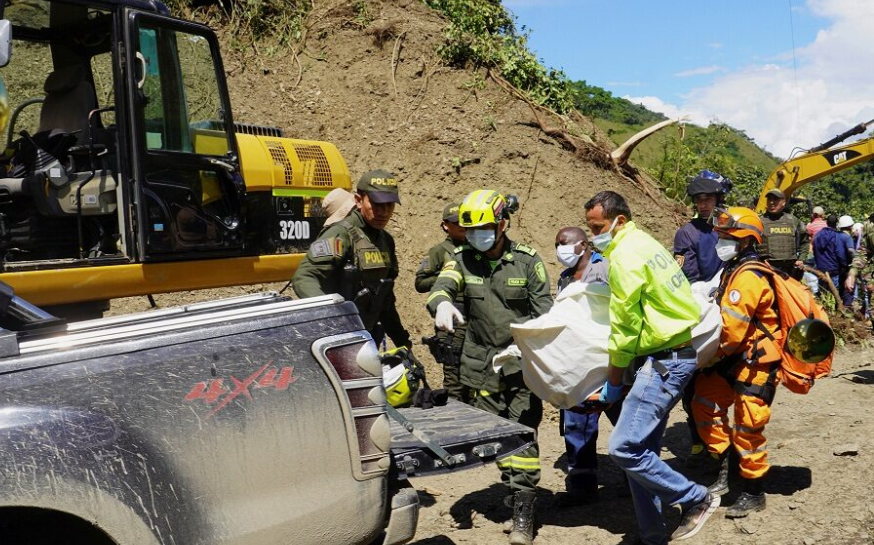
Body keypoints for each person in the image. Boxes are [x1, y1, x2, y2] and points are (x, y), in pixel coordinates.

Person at [585, 191, 719, 544]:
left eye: (597, 226)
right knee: (641, 455)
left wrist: (614, 382)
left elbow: (625, 329)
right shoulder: (646, 244)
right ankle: (652, 535)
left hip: (664, 362)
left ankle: (697, 498)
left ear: (619, 221)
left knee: (624, 447)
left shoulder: (626, 257)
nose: (592, 233)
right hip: (671, 354)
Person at [427, 189, 552, 545]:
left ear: (502, 224)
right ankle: (514, 494)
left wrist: (523, 344)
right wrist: (440, 304)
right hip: (480, 367)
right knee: (496, 437)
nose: (476, 236)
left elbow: (546, 314)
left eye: (483, 228)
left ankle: (524, 512)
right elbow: (442, 286)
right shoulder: (462, 258)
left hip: (520, 365)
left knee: (523, 434)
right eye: (470, 231)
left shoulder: (528, 262)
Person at [692, 206, 781, 519]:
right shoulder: (733, 268)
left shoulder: (749, 275)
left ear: (745, 240)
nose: (720, 239)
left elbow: (732, 331)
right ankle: (727, 467)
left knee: (748, 426)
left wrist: (705, 358)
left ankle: (753, 491)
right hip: (734, 358)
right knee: (703, 403)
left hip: (754, 362)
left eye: (726, 235)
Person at [293, 169, 411, 349]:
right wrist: (333, 316)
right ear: (358, 200)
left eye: (389, 205)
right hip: (334, 340)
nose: (384, 211)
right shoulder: (341, 234)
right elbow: (304, 278)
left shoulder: (386, 241)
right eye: (377, 204)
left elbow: (385, 299)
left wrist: (403, 343)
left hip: (366, 338)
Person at [552, 226, 618, 507]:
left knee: (624, 419)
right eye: (556, 244)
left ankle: (638, 479)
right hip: (577, 364)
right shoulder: (565, 279)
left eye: (563, 243)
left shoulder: (605, 270)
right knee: (577, 424)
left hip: (610, 361)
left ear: (583, 244)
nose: (559, 249)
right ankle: (582, 484)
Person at [672, 170, 726, 468]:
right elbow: (685, 275)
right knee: (692, 380)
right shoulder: (686, 233)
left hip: (730, 304)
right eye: (699, 200)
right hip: (699, 308)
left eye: (709, 199)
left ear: (719, 199)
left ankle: (724, 442)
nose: (704, 205)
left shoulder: (730, 226)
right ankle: (697, 441)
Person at [415, 202, 467, 402]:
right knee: (453, 373)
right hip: (450, 316)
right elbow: (419, 282)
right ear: (446, 225)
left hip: (473, 315)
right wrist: (447, 277)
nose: (462, 225)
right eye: (456, 222)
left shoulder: (476, 249)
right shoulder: (439, 251)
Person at [758, 188, 809, 279]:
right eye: (769, 199)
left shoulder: (793, 220)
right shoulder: (759, 221)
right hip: (767, 270)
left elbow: (804, 241)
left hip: (789, 272)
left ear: (783, 202)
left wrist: (801, 259)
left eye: (775, 199)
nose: (772, 202)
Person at [813, 215, 853, 303]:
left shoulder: (817, 235)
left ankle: (825, 311)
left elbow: (814, 249)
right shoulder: (836, 236)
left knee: (823, 291)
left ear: (826, 223)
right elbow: (840, 253)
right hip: (833, 269)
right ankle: (834, 312)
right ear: (836, 224)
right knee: (834, 293)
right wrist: (844, 265)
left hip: (820, 268)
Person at [837, 215, 857, 306]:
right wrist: (856, 260)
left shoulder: (837, 235)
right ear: (850, 226)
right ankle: (847, 306)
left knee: (841, 286)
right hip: (847, 266)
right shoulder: (847, 237)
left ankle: (841, 305)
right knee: (849, 287)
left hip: (838, 265)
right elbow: (851, 250)